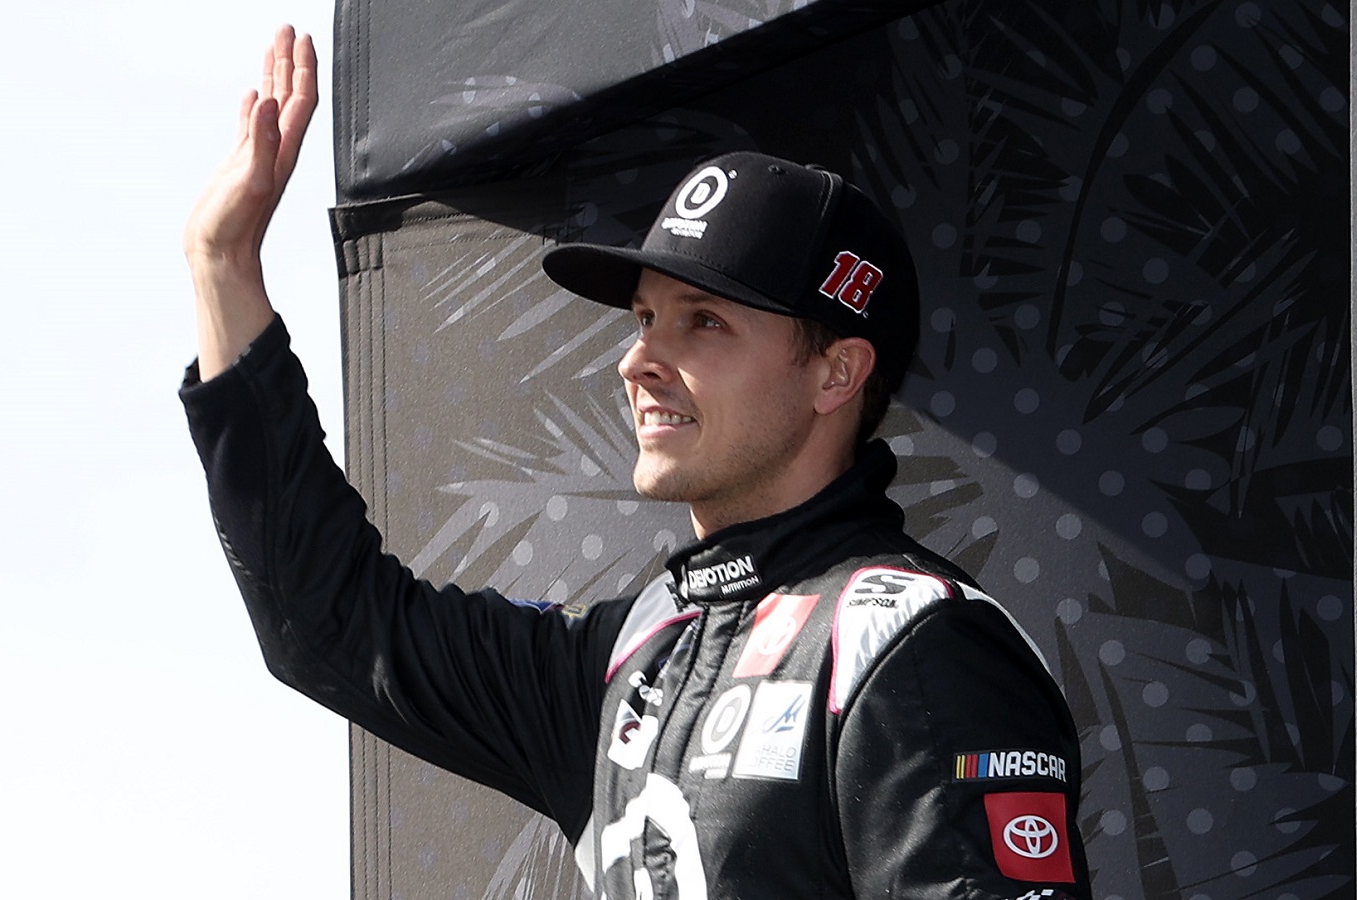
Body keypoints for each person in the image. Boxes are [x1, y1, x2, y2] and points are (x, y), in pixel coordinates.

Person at [182, 26, 1090, 900]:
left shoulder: (915, 646)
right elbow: (333, 624)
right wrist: (223, 268)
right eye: (645, 319)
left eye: (704, 321)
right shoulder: (625, 659)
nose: (638, 360)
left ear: (835, 371)